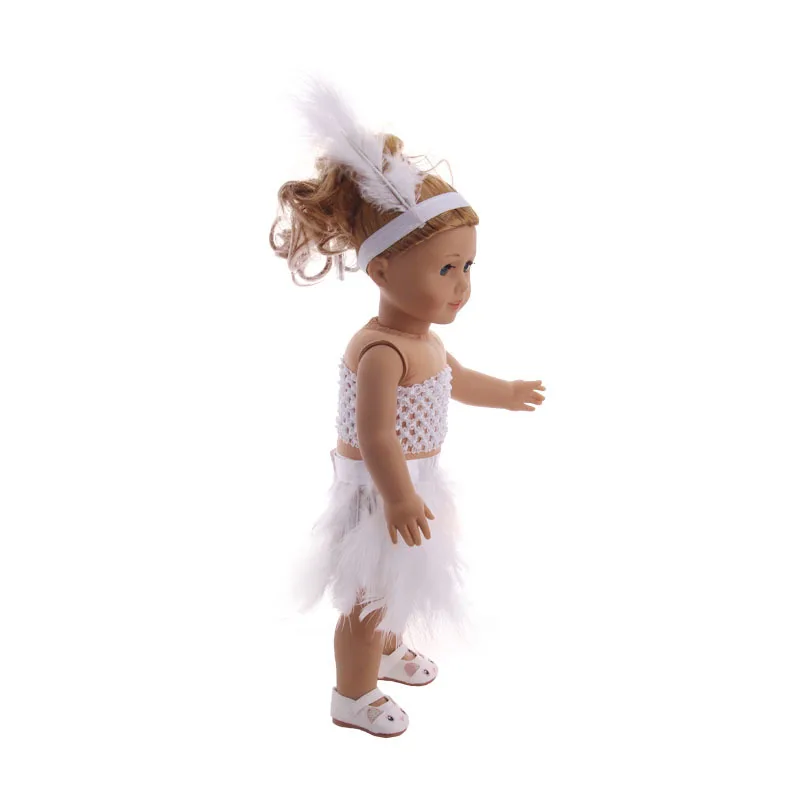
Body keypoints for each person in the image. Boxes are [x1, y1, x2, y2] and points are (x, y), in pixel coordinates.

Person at [269, 78, 546, 738]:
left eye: (467, 267)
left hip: (415, 484)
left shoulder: (426, 344)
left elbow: (455, 380)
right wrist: (396, 497)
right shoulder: (380, 352)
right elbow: (376, 436)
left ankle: (387, 653)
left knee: (399, 582)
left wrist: (506, 393)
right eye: (445, 270)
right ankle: (353, 694)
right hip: (377, 490)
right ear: (382, 272)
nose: (462, 286)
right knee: (368, 595)